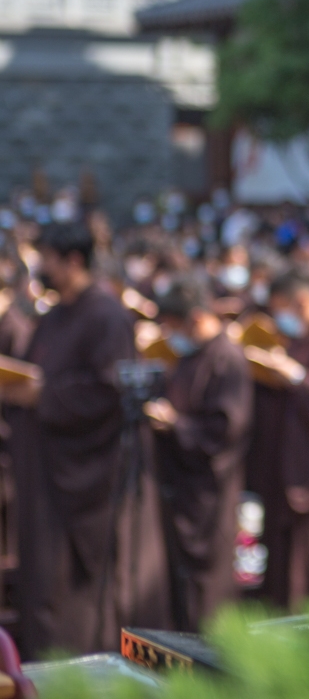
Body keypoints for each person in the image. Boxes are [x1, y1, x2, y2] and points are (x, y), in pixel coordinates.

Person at [1, 221, 168, 657]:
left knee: (73, 592)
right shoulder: (54, 315)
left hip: (86, 477)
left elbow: (107, 392)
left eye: (48, 260)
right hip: (44, 469)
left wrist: (44, 395)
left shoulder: (106, 315)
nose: (41, 269)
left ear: (74, 260)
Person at [145, 276, 253, 632]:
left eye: (172, 327)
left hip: (211, 490)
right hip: (182, 486)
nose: (169, 336)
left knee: (209, 584)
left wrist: (176, 424)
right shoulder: (190, 355)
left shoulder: (228, 359)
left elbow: (224, 430)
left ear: (194, 319)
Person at [244, 271, 309, 610]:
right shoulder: (303, 338)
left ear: (302, 301)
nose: (281, 320)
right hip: (290, 461)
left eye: (282, 310)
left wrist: (298, 377)